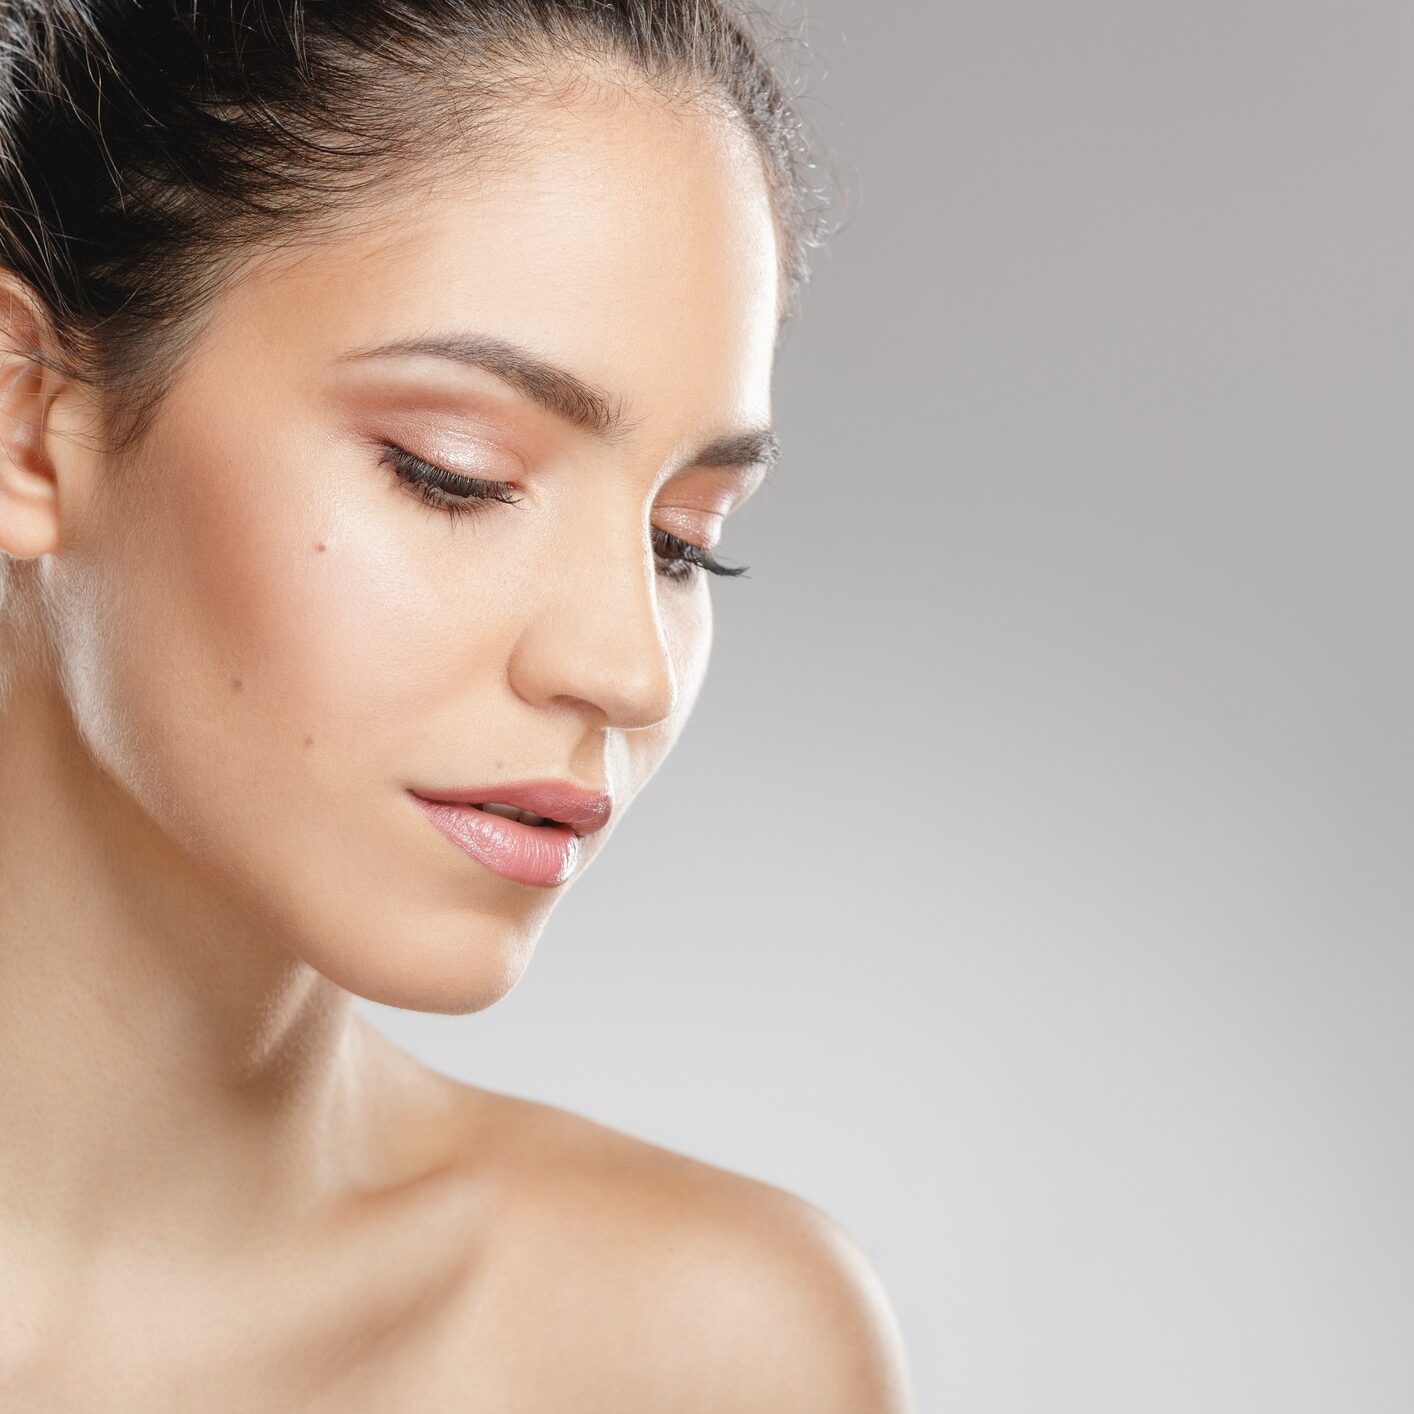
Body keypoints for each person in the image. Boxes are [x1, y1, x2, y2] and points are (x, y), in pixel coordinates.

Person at [0, 1, 914, 1407]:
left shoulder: (702, 1353)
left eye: (683, 538)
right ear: (27, 414)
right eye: (453, 472)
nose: (627, 668)